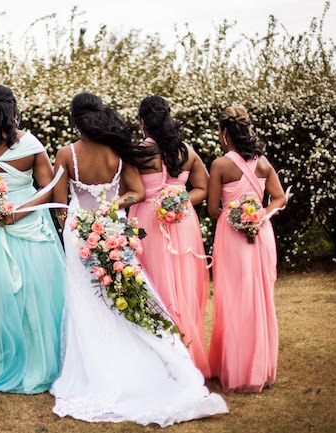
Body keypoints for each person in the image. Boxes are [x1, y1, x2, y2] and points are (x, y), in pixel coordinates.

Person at [50, 92, 228, 427]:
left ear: (75, 121)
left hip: (79, 234)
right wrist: (112, 207)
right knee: (127, 297)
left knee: (86, 301)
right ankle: (145, 362)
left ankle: (95, 371)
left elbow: (61, 206)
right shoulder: (118, 152)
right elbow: (137, 193)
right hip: (115, 229)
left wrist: (78, 226)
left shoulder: (64, 154)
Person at [0, 85, 65, 394]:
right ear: (14, 110)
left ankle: (0, 361)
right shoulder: (31, 144)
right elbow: (47, 189)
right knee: (35, 291)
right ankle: (35, 359)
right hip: (27, 218)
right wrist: (19, 211)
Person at [128, 95, 211, 377]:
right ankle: (181, 350)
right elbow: (202, 187)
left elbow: (125, 190)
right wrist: (179, 201)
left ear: (142, 123)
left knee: (153, 282)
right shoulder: (186, 151)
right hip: (182, 222)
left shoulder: (137, 153)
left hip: (148, 222)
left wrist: (166, 201)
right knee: (180, 282)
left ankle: (162, 355)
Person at [207, 105, 287, 392]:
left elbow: (214, 208)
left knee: (235, 297)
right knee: (261, 298)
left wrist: (236, 219)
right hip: (262, 234)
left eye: (219, 130)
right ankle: (259, 367)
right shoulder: (263, 163)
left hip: (232, 236)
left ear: (226, 133)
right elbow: (279, 198)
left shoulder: (219, 165)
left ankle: (239, 367)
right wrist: (260, 215)